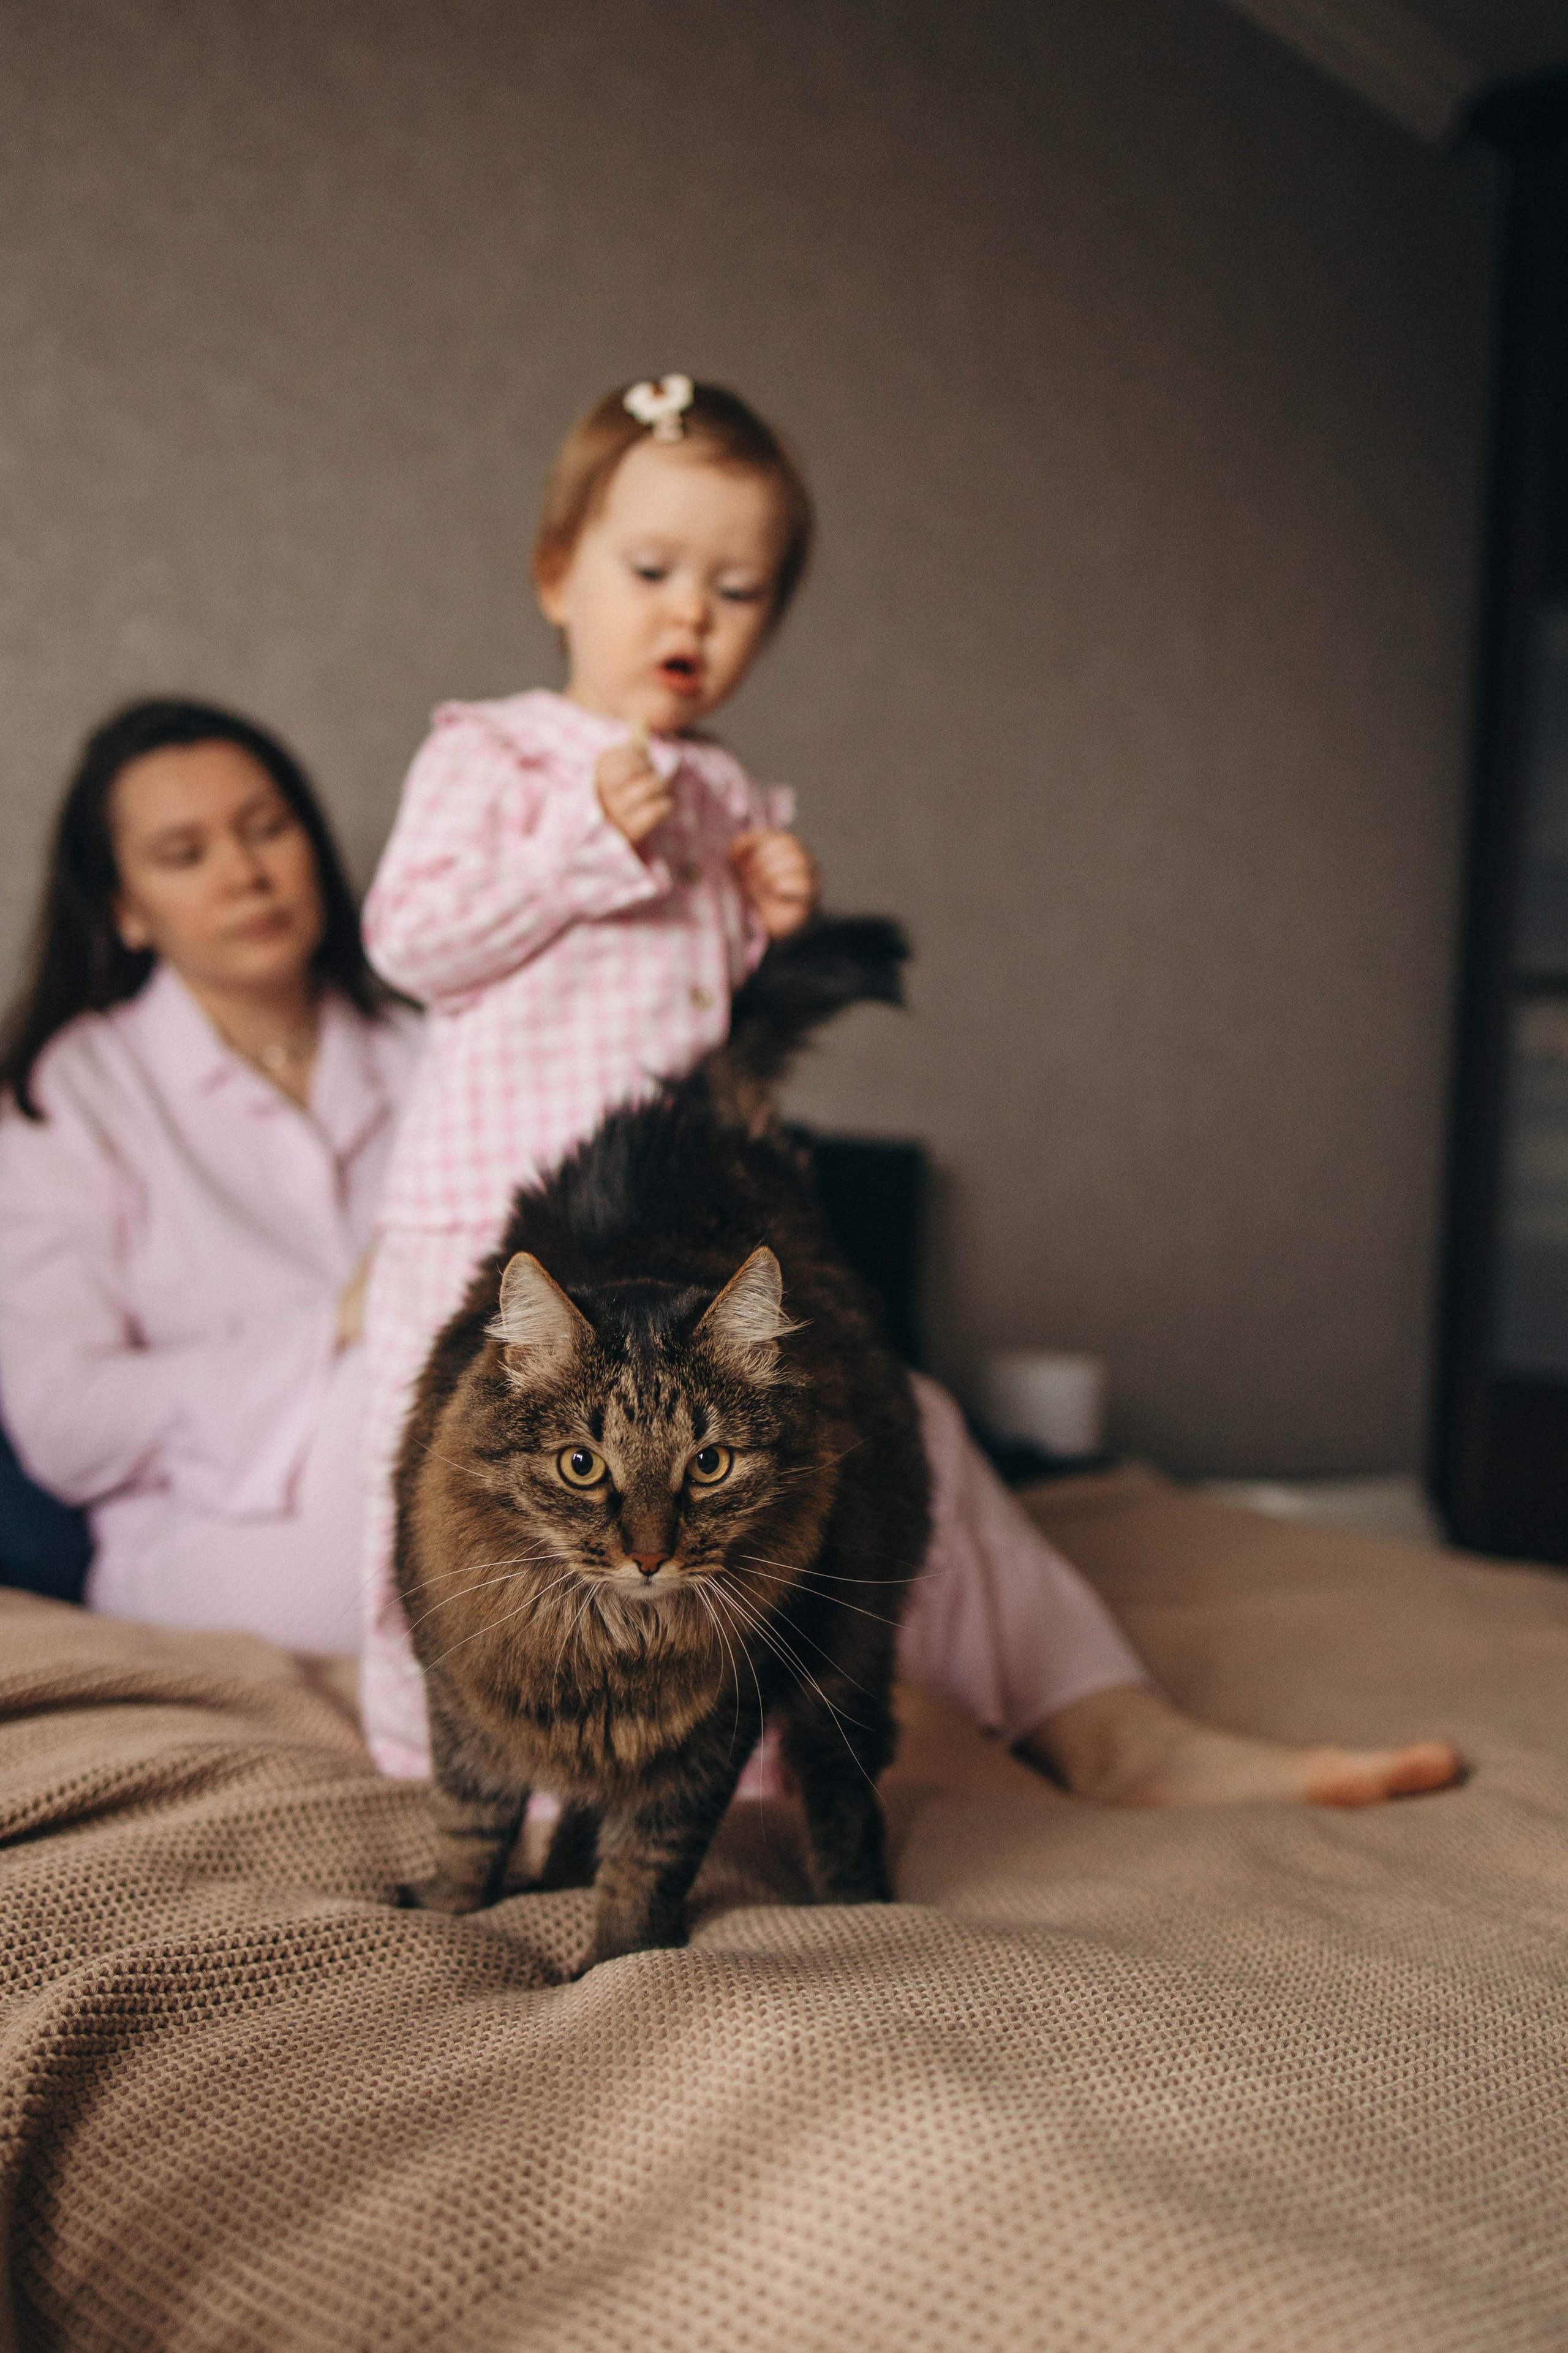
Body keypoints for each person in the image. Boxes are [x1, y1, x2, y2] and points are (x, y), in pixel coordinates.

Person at [356, 375, 1460, 1810]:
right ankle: (472, 1771)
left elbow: (697, 1025)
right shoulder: (494, 755)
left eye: (739, 590)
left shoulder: (727, 789)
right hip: (515, 1265)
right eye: (650, 572)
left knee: (873, 1434)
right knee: (469, 1497)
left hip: (679, 1248)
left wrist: (770, 922)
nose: (690, 615)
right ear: (557, 573)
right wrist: (573, 846)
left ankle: (1100, 1726)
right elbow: (411, 943)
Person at [0, 700, 422, 1652]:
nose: (245, 874)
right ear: (124, 909)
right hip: (218, 1532)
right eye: (185, 855)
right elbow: (63, 1419)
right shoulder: (71, 1093)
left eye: (267, 829)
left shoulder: (428, 1051)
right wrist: (333, 1330)